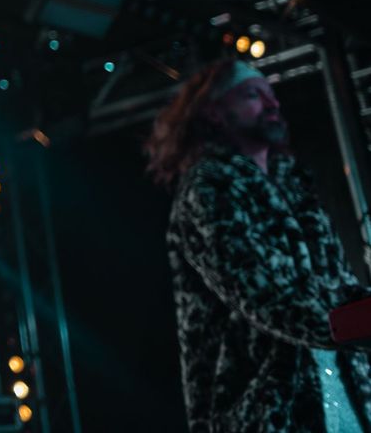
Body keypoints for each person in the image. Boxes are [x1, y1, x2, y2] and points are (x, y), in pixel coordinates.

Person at [146, 58, 371, 432]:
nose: (272, 104)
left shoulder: (294, 185)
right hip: (266, 412)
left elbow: (338, 283)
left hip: (343, 399)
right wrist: (350, 321)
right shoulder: (209, 188)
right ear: (215, 112)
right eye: (253, 95)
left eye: (271, 94)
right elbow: (265, 295)